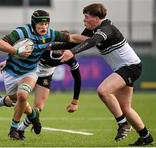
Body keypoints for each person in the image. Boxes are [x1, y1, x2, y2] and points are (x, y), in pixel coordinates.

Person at [59, 3, 154, 146]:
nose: (84, 20)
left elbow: (92, 41)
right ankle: (145, 136)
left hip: (130, 67)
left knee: (103, 91)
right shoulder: (93, 29)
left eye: (86, 17)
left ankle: (123, 124)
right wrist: (47, 45)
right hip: (125, 68)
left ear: (97, 18)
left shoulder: (106, 28)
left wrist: (72, 52)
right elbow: (76, 40)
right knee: (125, 107)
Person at [0, 9, 87, 140]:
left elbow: (73, 38)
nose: (44, 27)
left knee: (23, 96)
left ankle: (15, 129)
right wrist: (15, 52)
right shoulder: (22, 32)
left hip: (31, 71)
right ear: (34, 24)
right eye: (41, 24)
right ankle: (2, 103)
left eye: (46, 24)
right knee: (15, 99)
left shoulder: (51, 37)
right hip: (12, 71)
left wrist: (96, 39)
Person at [0, 49, 81, 140]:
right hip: (29, 71)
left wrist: (75, 102)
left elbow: (77, 78)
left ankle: (20, 129)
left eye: (66, 46)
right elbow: (26, 50)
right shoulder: (46, 49)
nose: (61, 49)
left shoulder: (69, 57)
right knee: (19, 100)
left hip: (45, 76)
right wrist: (8, 61)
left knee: (38, 108)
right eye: (59, 45)